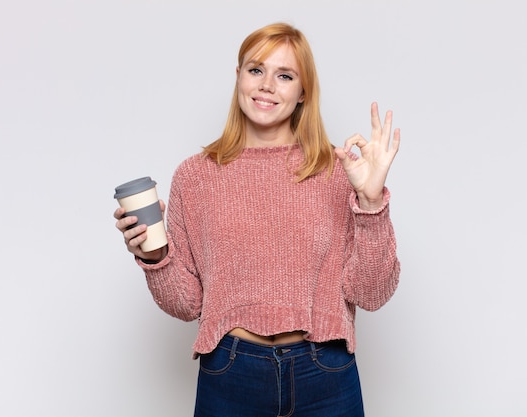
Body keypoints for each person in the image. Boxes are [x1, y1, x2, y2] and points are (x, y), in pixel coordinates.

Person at [114, 22, 401, 417]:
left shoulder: (336, 171)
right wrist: (154, 256)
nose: (267, 85)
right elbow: (187, 304)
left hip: (325, 374)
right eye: (256, 70)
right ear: (238, 78)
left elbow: (372, 293)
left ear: (303, 93)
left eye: (285, 76)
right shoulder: (196, 176)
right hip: (232, 374)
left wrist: (370, 203)